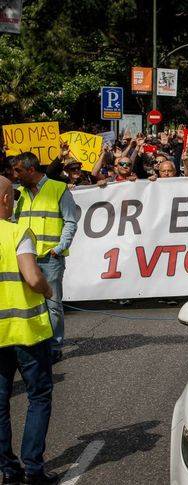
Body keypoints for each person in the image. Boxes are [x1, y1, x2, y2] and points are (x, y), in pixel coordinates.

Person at [0, 175, 58, 485]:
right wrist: (49, 291)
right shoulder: (17, 231)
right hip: (26, 331)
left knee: (0, 403)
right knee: (38, 397)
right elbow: (33, 278)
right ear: (6, 200)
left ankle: (9, 471)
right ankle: (34, 469)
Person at [11, 152, 77, 363]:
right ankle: (33, 342)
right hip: (25, 258)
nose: (15, 175)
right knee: (27, 303)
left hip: (50, 259)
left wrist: (59, 248)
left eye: (18, 170)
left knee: (53, 305)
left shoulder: (58, 189)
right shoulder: (18, 193)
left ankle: (54, 346)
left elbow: (70, 221)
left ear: (31, 170)